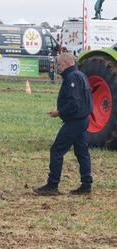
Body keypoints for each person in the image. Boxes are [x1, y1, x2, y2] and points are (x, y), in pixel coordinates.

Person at [35, 52, 93, 195]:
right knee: (82, 152)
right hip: (84, 120)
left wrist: (59, 112)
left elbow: (74, 103)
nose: (58, 68)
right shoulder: (81, 75)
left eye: (59, 65)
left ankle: (52, 185)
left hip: (75, 121)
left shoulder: (72, 78)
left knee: (56, 150)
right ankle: (86, 185)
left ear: (67, 62)